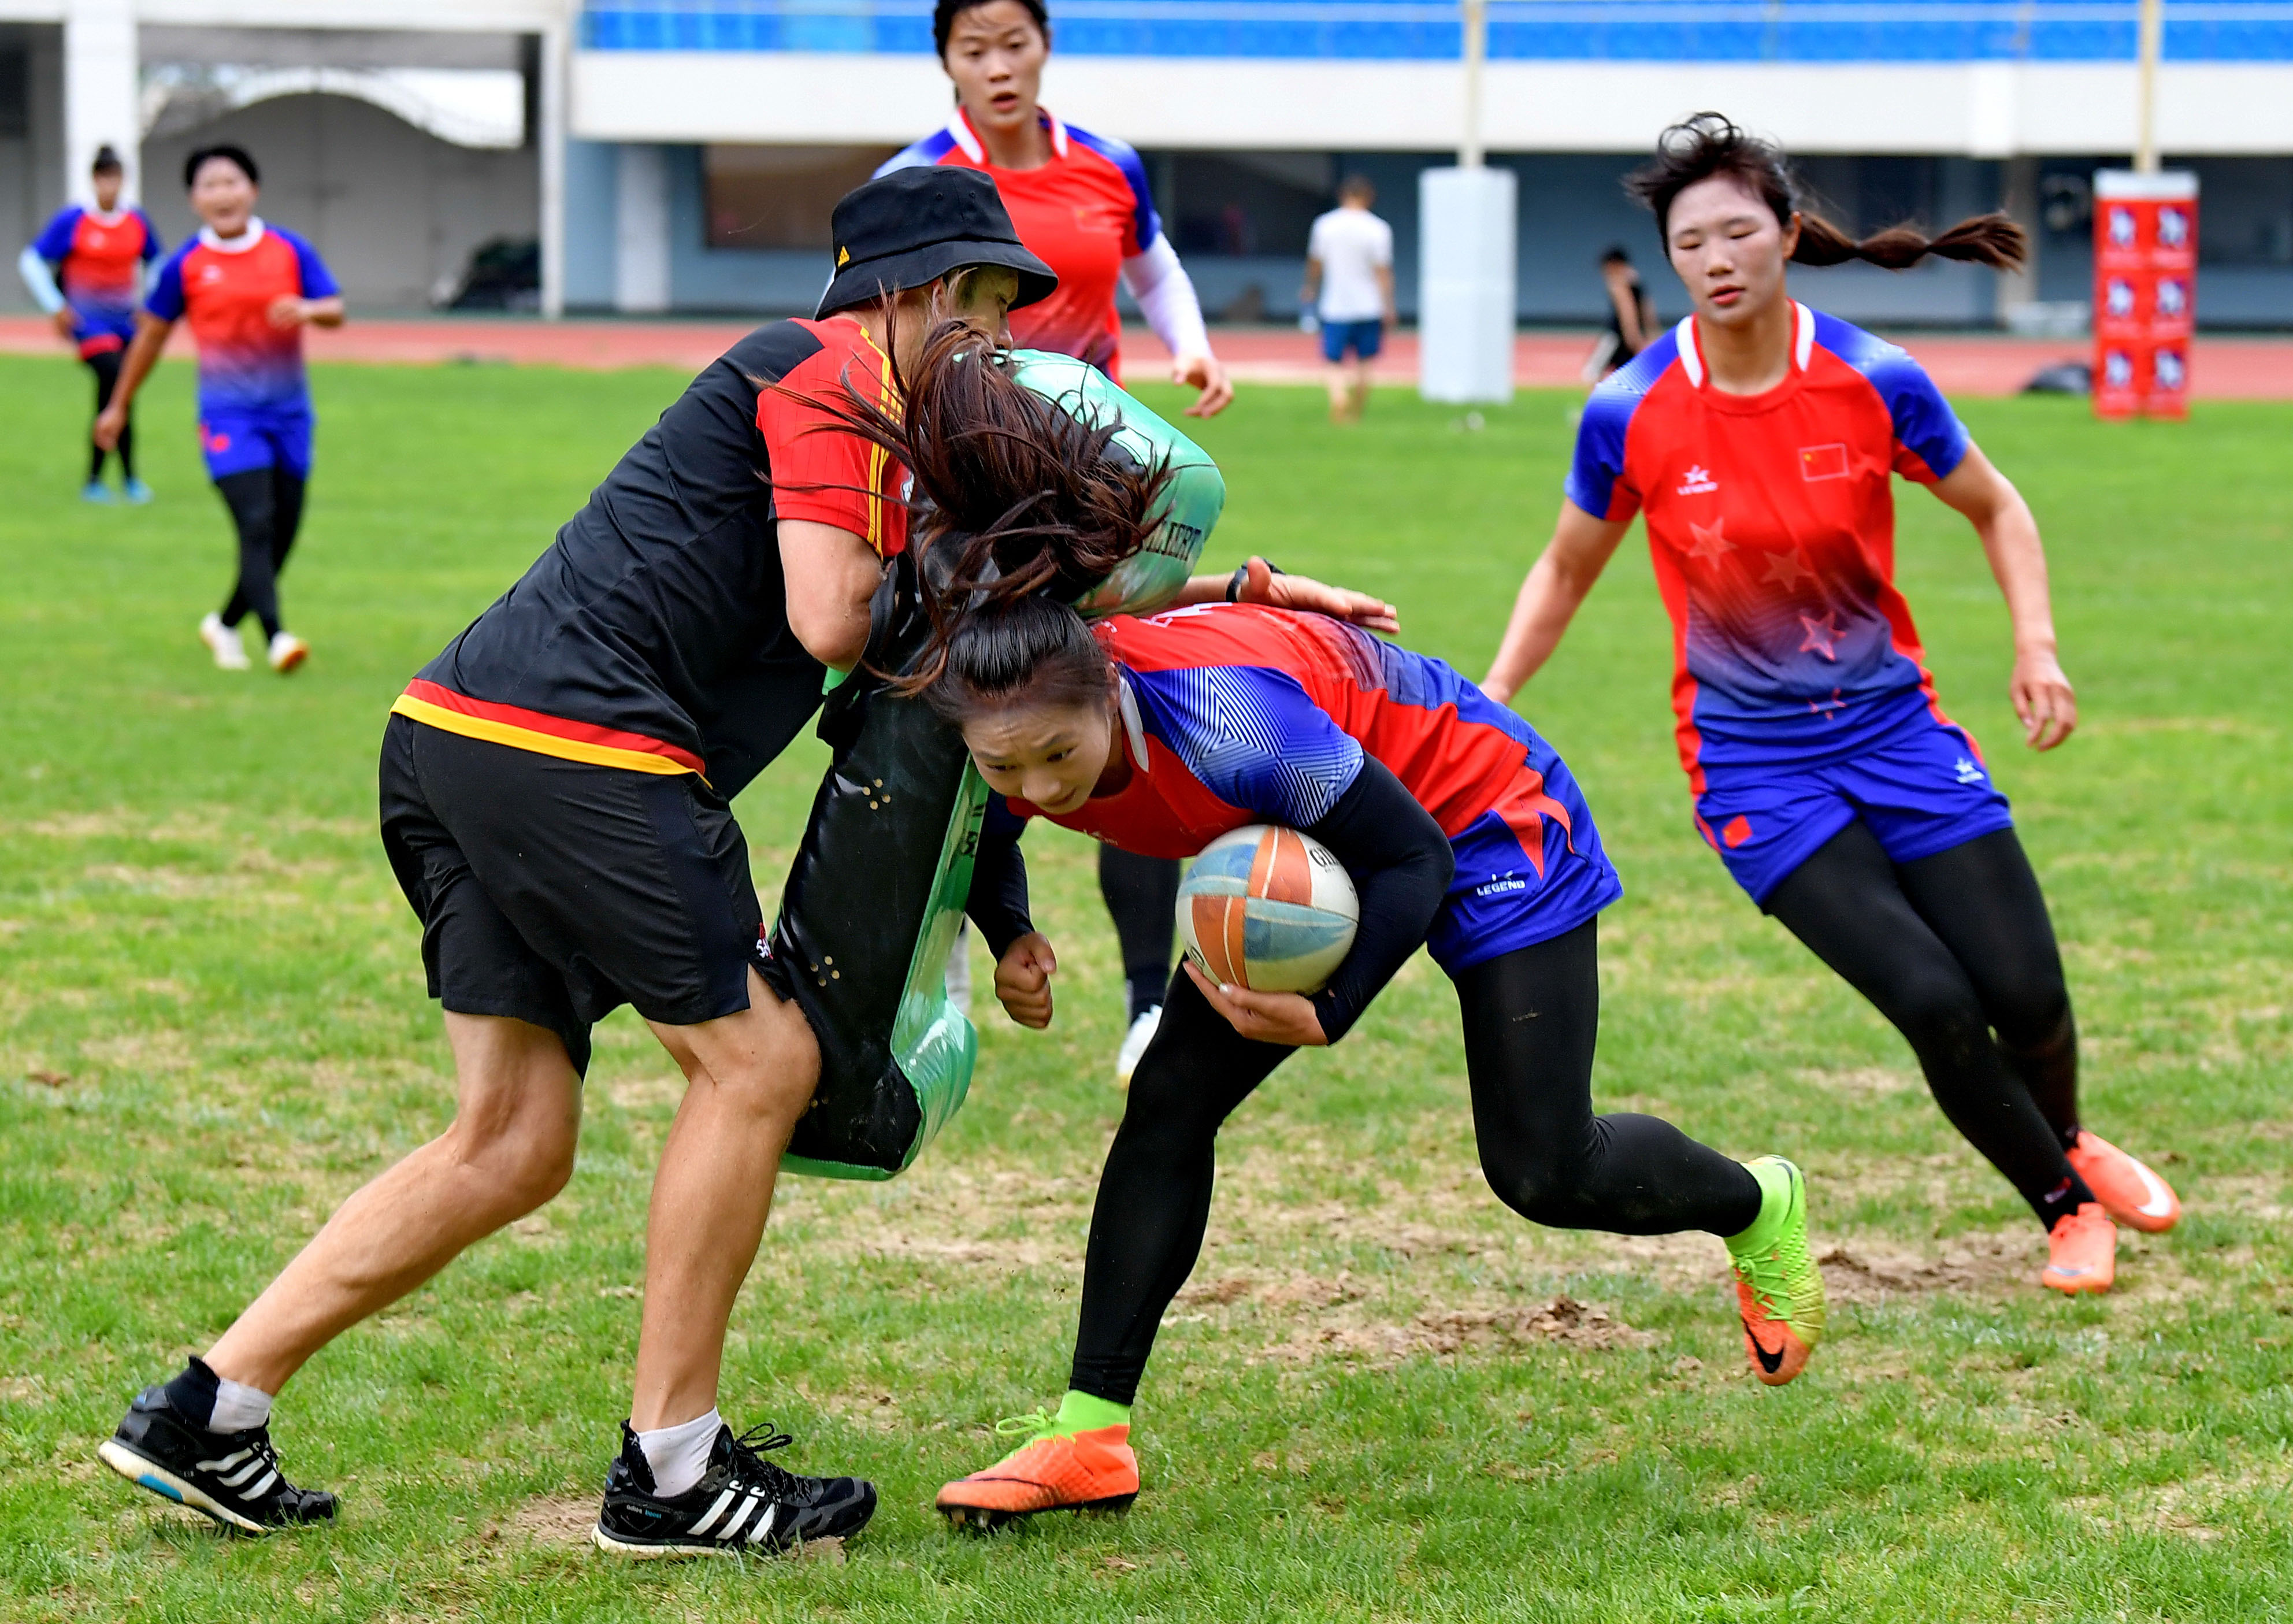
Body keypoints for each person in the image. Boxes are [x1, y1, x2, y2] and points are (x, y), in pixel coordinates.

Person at [96, 166, 1387, 1553]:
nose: (998, 344)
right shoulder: (828, 370)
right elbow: (835, 616)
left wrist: (1237, 589)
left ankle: (206, 1409)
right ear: (910, 296)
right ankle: (671, 1468)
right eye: (985, 308)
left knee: (512, 1140)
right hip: (582, 747)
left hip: (455, 738)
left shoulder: (887, 430)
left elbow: (991, 592)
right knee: (760, 1063)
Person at [909, 593, 1828, 1528]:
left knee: (1542, 1168)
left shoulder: (1231, 725)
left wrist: (1330, 1009)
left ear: (1109, 694)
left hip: (1479, 810)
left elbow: (1413, 860)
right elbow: (990, 829)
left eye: (1059, 756)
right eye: (1006, 764)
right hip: (1319, 825)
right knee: (1170, 1097)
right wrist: (1011, 931)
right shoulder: (1006, 716)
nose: (1042, 784)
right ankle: (1090, 1435)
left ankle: (1757, 1202)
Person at [1481, 114, 2180, 1300]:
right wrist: (1493, 697)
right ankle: (2063, 1204)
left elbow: (1997, 507)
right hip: (1752, 767)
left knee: (2027, 995)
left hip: (1899, 730)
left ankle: (2062, 1135)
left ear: (1788, 236)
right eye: (1690, 238)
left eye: (1738, 230)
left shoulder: (1870, 377)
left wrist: (2037, 646)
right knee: (1931, 996)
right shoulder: (1630, 408)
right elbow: (1564, 568)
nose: (1715, 256)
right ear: (1671, 258)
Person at [882, 0, 1272, 1084]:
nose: (998, 66)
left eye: (1015, 43)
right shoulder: (919, 178)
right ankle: (935, 989)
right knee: (959, 723)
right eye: (974, 49)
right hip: (963, 502)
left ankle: (1149, 1002)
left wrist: (1190, 350)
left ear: (1043, 48)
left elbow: (1151, 266)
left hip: (1090, 496)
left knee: (1121, 717)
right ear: (946, 62)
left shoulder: (1108, 164)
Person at [94, 145, 341, 675]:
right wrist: (118, 406)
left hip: (291, 414)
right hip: (228, 416)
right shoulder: (186, 265)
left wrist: (308, 309)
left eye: (232, 182)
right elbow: (150, 339)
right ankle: (277, 637)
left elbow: (335, 309)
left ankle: (225, 624)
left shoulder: (288, 250)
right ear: (193, 200)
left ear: (252, 189)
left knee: (282, 533)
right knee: (255, 522)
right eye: (210, 185)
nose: (222, 194)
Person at [17, 144, 162, 503]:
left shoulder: (136, 222)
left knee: (121, 395)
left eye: (115, 178)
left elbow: (159, 263)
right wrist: (56, 305)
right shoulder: (74, 220)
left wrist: (151, 306)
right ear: (94, 180)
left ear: (122, 180)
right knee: (116, 382)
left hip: (126, 324)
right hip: (88, 324)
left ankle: (113, 481)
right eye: (103, 178)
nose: (109, 186)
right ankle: (110, 480)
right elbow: (32, 261)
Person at [1301, 176, 1396, 423]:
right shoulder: (1378, 229)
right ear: (1368, 197)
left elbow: (1316, 262)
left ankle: (1338, 395)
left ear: (1343, 195)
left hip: (1336, 304)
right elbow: (1383, 272)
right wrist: (1388, 304)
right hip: (1369, 305)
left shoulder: (1325, 225)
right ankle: (1356, 411)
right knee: (1365, 361)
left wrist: (1311, 287)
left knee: (1333, 360)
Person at [1580, 244, 1656, 384]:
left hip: (1616, 337)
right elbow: (1647, 309)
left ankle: (1599, 405)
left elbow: (1627, 310)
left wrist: (1633, 337)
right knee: (1629, 376)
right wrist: (1651, 334)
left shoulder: (1618, 282)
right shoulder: (1637, 281)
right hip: (1630, 338)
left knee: (1591, 372)